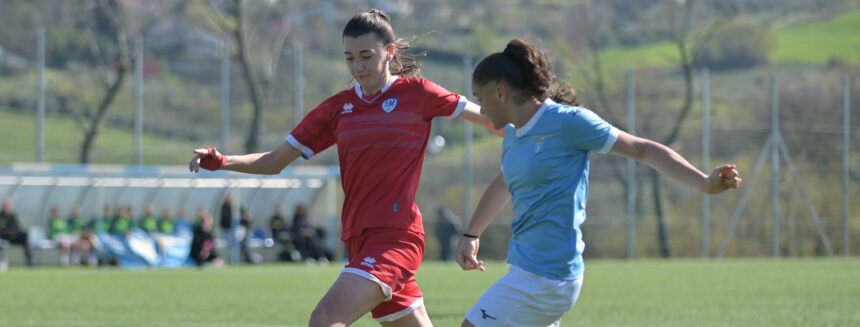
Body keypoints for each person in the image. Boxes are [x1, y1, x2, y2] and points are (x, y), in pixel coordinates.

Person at [189, 9, 499, 326]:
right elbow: (275, 161)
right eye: (350, 58)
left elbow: (494, 120)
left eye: (366, 56)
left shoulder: (418, 94)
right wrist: (224, 160)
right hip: (357, 240)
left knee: (325, 319)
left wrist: (537, 127)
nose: (358, 67)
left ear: (389, 52)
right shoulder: (337, 109)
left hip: (396, 238)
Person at [456, 39, 743, 327]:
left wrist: (704, 182)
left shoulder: (569, 123)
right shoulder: (514, 135)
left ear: (500, 92)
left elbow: (642, 149)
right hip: (525, 269)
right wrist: (471, 235)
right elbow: (502, 184)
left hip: (548, 278)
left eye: (480, 99)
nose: (481, 110)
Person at [0, 198, 33, 267]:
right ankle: (3, 261)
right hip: (4, 237)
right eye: (5, 205)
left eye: (8, 205)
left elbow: (17, 226)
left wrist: (12, 231)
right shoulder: (1, 216)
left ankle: (30, 261)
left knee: (25, 236)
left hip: (13, 237)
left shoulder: (13, 215)